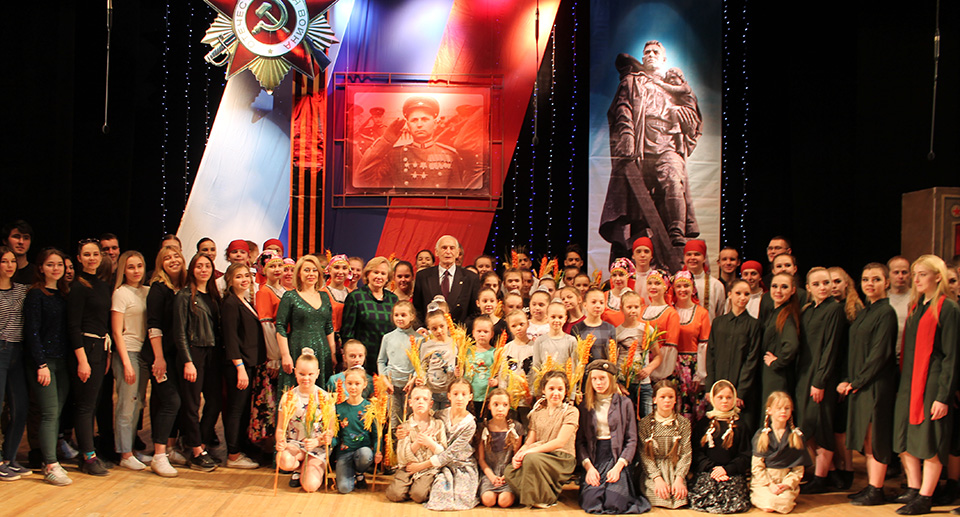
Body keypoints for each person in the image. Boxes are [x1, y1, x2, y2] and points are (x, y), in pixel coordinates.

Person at [600, 41, 703, 261]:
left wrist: (683, 116)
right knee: (638, 205)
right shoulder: (633, 81)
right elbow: (623, 108)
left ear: (663, 59)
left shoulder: (675, 85)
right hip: (641, 148)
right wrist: (627, 134)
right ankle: (638, 251)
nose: (651, 55)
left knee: (673, 179)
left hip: (668, 144)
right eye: (647, 52)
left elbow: (693, 117)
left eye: (656, 52)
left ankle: (676, 230)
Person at [891, 255, 959, 515]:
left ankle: (926, 496)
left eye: (923, 274)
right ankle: (914, 488)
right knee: (904, 436)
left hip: (932, 380)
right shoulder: (917, 307)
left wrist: (943, 396)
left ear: (938, 277)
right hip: (909, 381)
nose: (916, 279)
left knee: (931, 438)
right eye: (915, 274)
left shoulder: (948, 308)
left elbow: (951, 356)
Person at [837, 263, 897, 506]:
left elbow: (879, 354)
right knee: (866, 440)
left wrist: (857, 381)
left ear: (886, 283)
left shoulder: (886, 312)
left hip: (875, 385)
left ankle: (877, 489)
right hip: (860, 384)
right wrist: (847, 379)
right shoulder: (865, 311)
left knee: (875, 437)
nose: (870, 284)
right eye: (865, 279)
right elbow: (853, 351)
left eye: (876, 279)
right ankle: (872, 485)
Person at [356, 95, 481, 190]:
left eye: (425, 119)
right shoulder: (394, 155)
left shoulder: (450, 155)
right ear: (408, 125)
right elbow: (362, 179)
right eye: (414, 120)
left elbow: (456, 193)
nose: (419, 124)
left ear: (435, 123)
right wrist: (386, 141)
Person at [23, 248, 72, 485]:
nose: (55, 268)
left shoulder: (64, 294)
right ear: (41, 268)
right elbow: (32, 332)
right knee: (49, 412)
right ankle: (51, 465)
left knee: (56, 413)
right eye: (50, 264)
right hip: (44, 363)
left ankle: (50, 460)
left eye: (59, 264)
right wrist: (41, 364)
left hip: (62, 362)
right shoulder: (35, 295)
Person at [794, 267, 845, 494]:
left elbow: (830, 349)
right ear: (808, 288)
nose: (823, 287)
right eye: (816, 284)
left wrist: (820, 381)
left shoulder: (834, 309)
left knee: (822, 425)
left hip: (820, 376)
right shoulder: (807, 310)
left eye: (826, 283)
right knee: (807, 426)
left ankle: (821, 478)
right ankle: (827, 471)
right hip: (805, 375)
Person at [577, 360, 649, 514]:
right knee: (591, 503)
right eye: (594, 379)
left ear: (610, 379)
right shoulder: (584, 406)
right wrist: (589, 468)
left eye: (602, 378)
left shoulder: (625, 403)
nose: (598, 383)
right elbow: (580, 442)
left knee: (614, 502)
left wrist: (618, 467)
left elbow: (631, 440)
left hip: (616, 457)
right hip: (595, 457)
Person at [68, 239, 114, 476]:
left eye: (95, 254)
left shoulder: (103, 285)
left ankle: (87, 452)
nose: (92, 258)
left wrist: (106, 354)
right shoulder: (78, 286)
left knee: (93, 403)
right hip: (85, 349)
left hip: (100, 348)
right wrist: (82, 360)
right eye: (87, 254)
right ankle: (88, 457)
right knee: (85, 406)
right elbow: (73, 326)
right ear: (79, 258)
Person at [174, 253, 222, 472]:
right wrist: (187, 361)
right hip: (193, 353)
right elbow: (179, 332)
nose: (203, 270)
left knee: (215, 401)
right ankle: (195, 451)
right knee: (192, 405)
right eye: (199, 266)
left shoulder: (213, 295)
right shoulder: (184, 295)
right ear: (192, 270)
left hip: (213, 354)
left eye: (207, 266)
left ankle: (200, 443)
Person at [504, 370, 580, 509]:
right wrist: (519, 454)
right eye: (551, 389)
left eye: (560, 389)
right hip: (539, 455)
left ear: (565, 391)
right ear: (544, 390)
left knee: (531, 459)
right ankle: (545, 494)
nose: (555, 393)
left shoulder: (571, 411)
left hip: (561, 456)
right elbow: (529, 441)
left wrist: (530, 452)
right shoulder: (537, 412)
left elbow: (560, 442)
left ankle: (544, 497)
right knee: (510, 470)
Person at [145, 245, 187, 477]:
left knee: (177, 401)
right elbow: (154, 325)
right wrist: (159, 357)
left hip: (178, 355)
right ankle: (158, 455)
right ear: (160, 264)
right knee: (171, 401)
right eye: (167, 258)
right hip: (162, 356)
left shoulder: (183, 287)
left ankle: (170, 449)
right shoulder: (158, 289)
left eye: (176, 256)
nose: (173, 260)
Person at [109, 250, 151, 471]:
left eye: (139, 266)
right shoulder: (120, 293)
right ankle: (124, 453)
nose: (136, 271)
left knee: (138, 404)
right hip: (128, 352)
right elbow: (117, 332)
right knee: (127, 404)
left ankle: (132, 449)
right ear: (123, 270)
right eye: (131, 267)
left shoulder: (147, 291)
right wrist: (126, 363)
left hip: (144, 353)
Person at [220, 263, 264, 469]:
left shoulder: (244, 300)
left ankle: (242, 446)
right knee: (236, 409)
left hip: (249, 363)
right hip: (239, 365)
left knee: (244, 408)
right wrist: (239, 368)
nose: (244, 279)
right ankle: (233, 455)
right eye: (238, 276)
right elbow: (230, 338)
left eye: (246, 275)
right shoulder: (230, 303)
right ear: (230, 280)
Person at [275, 349, 334, 493]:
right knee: (284, 460)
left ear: (317, 373)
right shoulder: (288, 397)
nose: (306, 378)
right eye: (301, 374)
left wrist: (318, 441)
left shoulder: (325, 398)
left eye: (310, 374)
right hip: (295, 445)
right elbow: (281, 428)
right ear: (295, 372)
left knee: (310, 486)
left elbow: (330, 430)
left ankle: (310, 469)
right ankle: (298, 467)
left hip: (316, 448)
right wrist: (280, 441)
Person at [689, 380, 752, 514]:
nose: (725, 401)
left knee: (733, 500)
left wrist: (726, 470)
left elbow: (745, 455)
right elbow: (697, 452)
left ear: (734, 399)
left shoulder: (740, 425)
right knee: (703, 496)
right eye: (720, 397)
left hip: (731, 473)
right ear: (713, 399)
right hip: (708, 472)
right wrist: (713, 469)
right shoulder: (704, 423)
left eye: (729, 397)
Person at [705, 280, 763, 426]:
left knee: (740, 426)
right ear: (730, 294)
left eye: (746, 294)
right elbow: (711, 354)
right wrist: (710, 387)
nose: (742, 298)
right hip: (718, 382)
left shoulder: (754, 325)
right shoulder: (718, 322)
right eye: (738, 293)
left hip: (742, 386)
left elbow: (752, 359)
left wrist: (741, 392)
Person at [275, 255, 336, 391]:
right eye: (306, 270)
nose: (311, 274)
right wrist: (285, 355)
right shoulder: (290, 296)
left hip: (322, 351)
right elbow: (280, 326)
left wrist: (332, 354)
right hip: (297, 348)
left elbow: (328, 327)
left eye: (314, 270)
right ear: (299, 273)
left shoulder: (325, 296)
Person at [750, 391, 811, 514]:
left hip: (785, 481)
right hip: (765, 482)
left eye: (787, 408)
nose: (783, 411)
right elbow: (757, 466)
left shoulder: (796, 436)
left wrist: (787, 484)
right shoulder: (762, 435)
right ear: (769, 410)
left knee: (783, 504)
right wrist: (770, 484)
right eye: (779, 408)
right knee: (769, 505)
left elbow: (798, 469)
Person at [0, 245, 31, 480]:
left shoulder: (22, 290)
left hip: (17, 352)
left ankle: (9, 458)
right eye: (4, 261)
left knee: (20, 408)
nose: (9, 265)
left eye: (12, 261)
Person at [385, 385, 446, 503]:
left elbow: (443, 453)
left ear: (431, 404)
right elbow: (402, 458)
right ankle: (408, 487)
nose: (420, 402)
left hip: (428, 469)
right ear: (410, 403)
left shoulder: (438, 425)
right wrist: (417, 443)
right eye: (417, 399)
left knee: (419, 495)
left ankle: (416, 489)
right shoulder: (405, 427)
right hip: (408, 468)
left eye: (425, 399)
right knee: (394, 494)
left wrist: (430, 443)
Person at [638, 380, 693, 508]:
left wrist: (679, 479)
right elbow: (644, 455)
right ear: (654, 400)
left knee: (679, 498)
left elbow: (686, 453)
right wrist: (657, 478)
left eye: (670, 397)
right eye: (662, 397)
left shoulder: (683, 423)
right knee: (661, 497)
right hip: (653, 472)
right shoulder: (645, 424)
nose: (667, 400)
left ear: (675, 400)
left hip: (675, 469)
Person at [341, 256, 398, 372]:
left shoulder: (393, 299)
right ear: (367, 274)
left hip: (388, 359)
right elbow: (347, 332)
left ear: (388, 278)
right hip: (363, 359)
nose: (379, 276)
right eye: (375, 272)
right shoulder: (356, 297)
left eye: (383, 273)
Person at [758, 273, 800, 420]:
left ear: (793, 290)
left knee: (774, 412)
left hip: (777, 375)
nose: (778, 291)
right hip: (769, 373)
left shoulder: (787, 315)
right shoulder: (774, 312)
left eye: (784, 287)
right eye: (775, 286)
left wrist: (777, 362)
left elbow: (791, 346)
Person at [413, 235, 481, 325]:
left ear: (457, 253)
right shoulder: (423, 276)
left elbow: (475, 312)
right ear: (436, 252)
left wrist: (460, 330)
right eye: (444, 248)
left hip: (459, 331)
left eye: (452, 248)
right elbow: (417, 309)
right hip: (430, 331)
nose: (448, 252)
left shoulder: (471, 278)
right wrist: (421, 328)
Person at [334, 367, 382, 493]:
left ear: (364, 385)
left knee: (365, 454)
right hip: (345, 453)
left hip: (362, 452)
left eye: (357, 384)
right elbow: (336, 435)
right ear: (344, 384)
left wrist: (378, 450)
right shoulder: (339, 408)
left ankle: (359, 472)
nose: (353, 387)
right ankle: (351, 473)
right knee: (344, 488)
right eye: (349, 383)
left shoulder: (370, 408)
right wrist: (329, 441)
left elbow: (376, 434)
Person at [617, 290, 661, 417]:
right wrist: (617, 382)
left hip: (643, 382)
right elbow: (612, 359)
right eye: (629, 307)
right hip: (624, 382)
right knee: (626, 417)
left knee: (647, 417)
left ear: (641, 308)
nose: (633, 311)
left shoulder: (647, 330)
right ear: (621, 308)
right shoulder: (617, 331)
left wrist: (649, 369)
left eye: (636, 307)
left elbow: (658, 356)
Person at [672, 270, 710, 420]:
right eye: (678, 286)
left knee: (691, 407)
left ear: (693, 288)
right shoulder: (669, 310)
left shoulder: (701, 313)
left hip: (692, 366)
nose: (682, 289)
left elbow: (704, 345)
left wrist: (700, 374)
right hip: (672, 366)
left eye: (686, 285)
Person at [477, 388, 524, 508]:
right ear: (489, 406)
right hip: (489, 473)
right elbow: (481, 459)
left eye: (504, 405)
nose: (500, 409)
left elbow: (516, 457)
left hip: (508, 474)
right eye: (496, 404)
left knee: (504, 501)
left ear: (509, 407)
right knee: (488, 500)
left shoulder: (516, 428)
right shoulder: (483, 428)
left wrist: (506, 476)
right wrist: (492, 477)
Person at [378, 301, 420, 429]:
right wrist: (385, 380)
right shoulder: (387, 338)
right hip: (392, 386)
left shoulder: (419, 339)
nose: (399, 318)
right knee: (394, 421)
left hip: (410, 387)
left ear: (412, 316)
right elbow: (381, 361)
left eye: (403, 315)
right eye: (396, 315)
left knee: (410, 420)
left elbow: (420, 364)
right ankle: (393, 441)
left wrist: (413, 379)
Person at [529, 302, 577, 395]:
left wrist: (572, 395)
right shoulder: (540, 341)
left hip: (564, 390)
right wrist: (537, 392)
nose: (556, 320)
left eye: (560, 317)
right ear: (547, 318)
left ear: (565, 319)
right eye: (553, 317)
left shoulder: (571, 341)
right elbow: (536, 367)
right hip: (546, 390)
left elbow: (574, 370)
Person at [643, 270, 680, 382]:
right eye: (650, 283)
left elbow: (670, 347)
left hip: (660, 371)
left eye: (657, 283)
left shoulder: (671, 313)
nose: (653, 287)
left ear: (665, 287)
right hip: (641, 368)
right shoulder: (642, 310)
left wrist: (656, 373)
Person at [420, 309, 457, 409]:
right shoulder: (426, 346)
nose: (439, 331)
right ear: (429, 329)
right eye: (434, 329)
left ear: (447, 323)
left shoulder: (456, 343)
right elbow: (423, 367)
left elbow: (460, 364)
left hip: (449, 390)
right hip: (432, 390)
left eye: (442, 326)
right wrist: (421, 379)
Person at [684, 239, 726, 319]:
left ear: (704, 258)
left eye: (697, 254)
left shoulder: (716, 285)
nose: (692, 257)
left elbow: (720, 315)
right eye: (689, 254)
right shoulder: (675, 284)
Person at [571, 288, 617, 360]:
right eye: (593, 302)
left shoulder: (609, 328)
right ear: (585, 305)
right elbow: (575, 355)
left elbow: (613, 353)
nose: (598, 306)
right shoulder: (577, 328)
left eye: (601, 302)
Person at [887, 255, 912, 354]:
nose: (900, 276)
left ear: (910, 275)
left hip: (908, 352)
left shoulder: (917, 297)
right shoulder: (882, 298)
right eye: (896, 272)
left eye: (904, 272)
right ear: (888, 275)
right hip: (887, 353)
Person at [320, 254, 350, 333]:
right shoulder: (321, 293)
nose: (340, 272)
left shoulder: (353, 294)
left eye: (344, 268)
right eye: (336, 267)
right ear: (329, 270)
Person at [603, 258, 634, 327]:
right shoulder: (603, 297)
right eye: (614, 275)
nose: (617, 279)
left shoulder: (636, 298)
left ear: (628, 276)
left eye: (621, 275)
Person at [2, 220, 35, 285]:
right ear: (5, 241)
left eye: (26, 238)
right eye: (16, 237)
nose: (21, 242)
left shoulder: (37, 274)